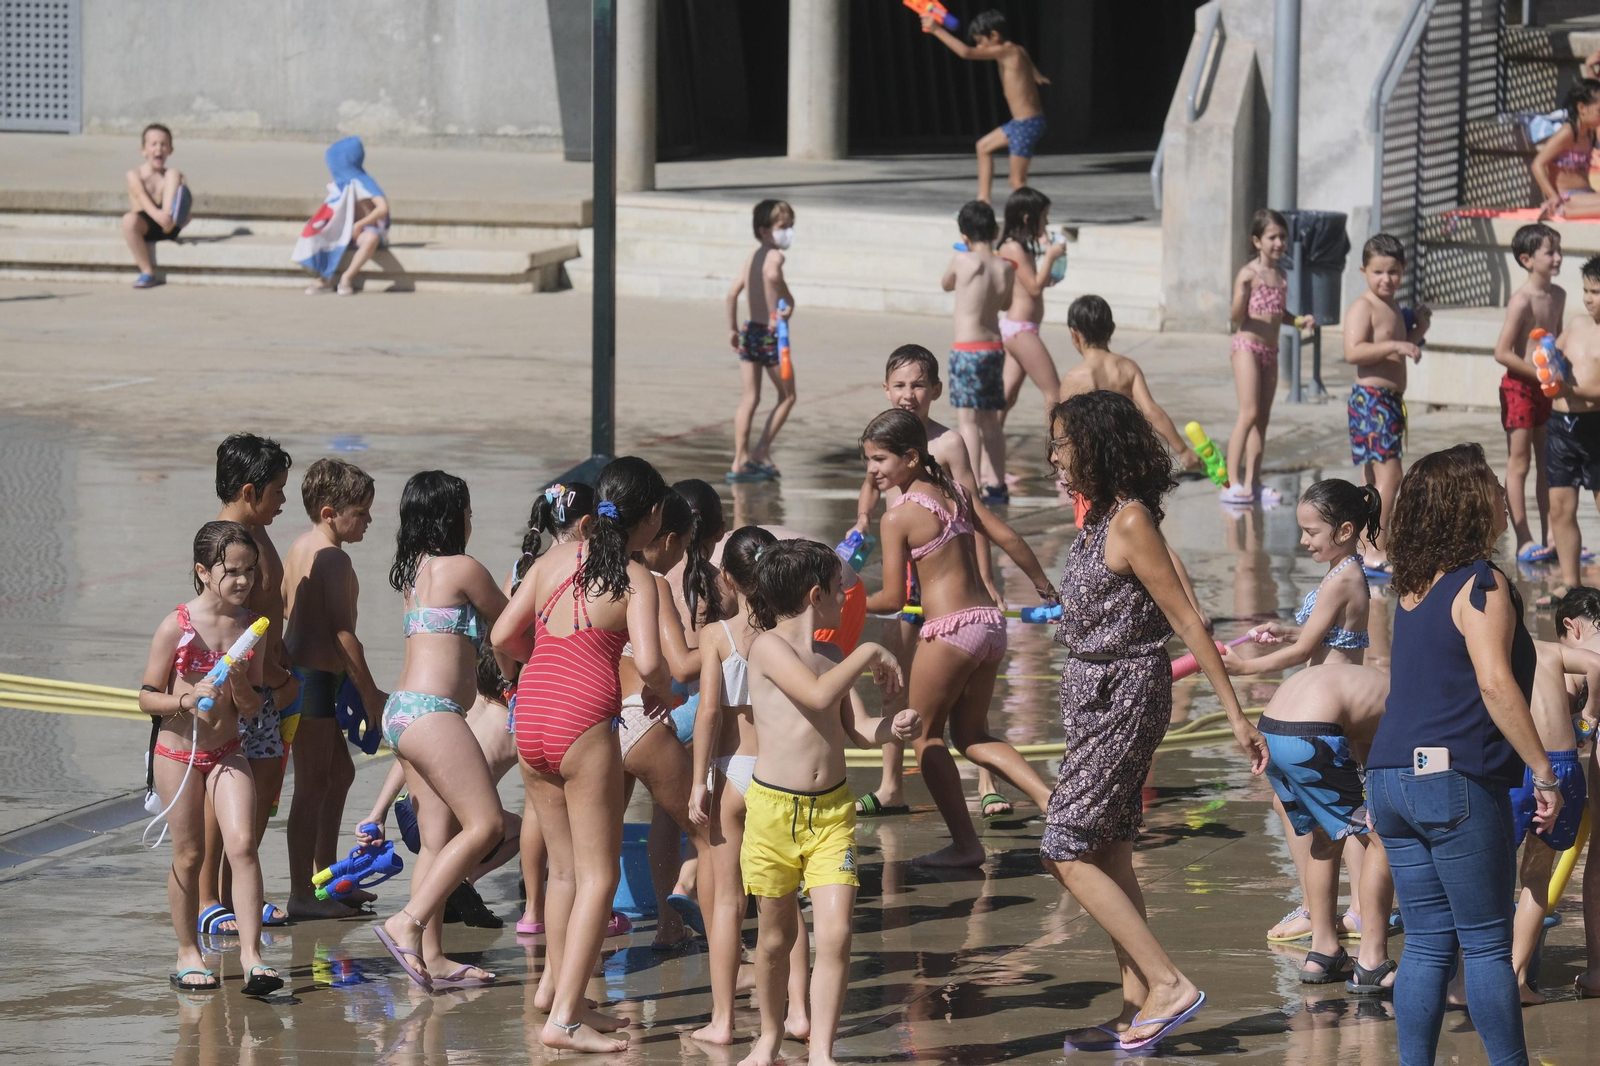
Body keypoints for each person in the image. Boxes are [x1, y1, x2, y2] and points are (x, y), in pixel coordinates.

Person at [1045, 391, 1266, 1053]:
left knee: (1064, 844)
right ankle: (1136, 1004)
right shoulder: (1101, 517)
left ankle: (1168, 983)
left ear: (1095, 446)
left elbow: (1189, 619)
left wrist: (1235, 716)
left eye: (1062, 443)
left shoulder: (1132, 522)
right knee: (1109, 848)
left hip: (1123, 692)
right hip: (1093, 693)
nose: (1053, 456)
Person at [1366, 442, 1561, 1065]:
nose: (1505, 500)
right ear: (1472, 506)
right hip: (1450, 780)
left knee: (1425, 943)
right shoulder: (1482, 583)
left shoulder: (1414, 590)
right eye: (1495, 490)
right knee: (1484, 945)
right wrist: (1543, 771)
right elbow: (1495, 683)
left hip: (1392, 777)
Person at [493, 456, 668, 1053]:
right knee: (600, 875)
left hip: (533, 712)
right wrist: (666, 691)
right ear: (650, 518)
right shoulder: (636, 577)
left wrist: (528, 671)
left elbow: (502, 637)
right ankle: (564, 1021)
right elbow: (646, 665)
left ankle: (557, 993)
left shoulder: (550, 561)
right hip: (582, 719)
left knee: (564, 871)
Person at [738, 538, 919, 1066]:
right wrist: (868, 651)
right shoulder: (768, 648)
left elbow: (856, 730)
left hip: (831, 813)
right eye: (841, 591)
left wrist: (895, 727)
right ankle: (768, 1038)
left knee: (836, 933)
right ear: (816, 595)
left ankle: (822, 1052)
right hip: (774, 814)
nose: (848, 600)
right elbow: (816, 696)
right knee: (774, 940)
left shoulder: (833, 653)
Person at [861, 408, 1059, 867]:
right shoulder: (956, 492)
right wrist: (1044, 586)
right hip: (990, 624)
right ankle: (1051, 801)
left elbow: (892, 596)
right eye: (869, 460)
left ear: (911, 458)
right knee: (971, 735)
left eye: (880, 459)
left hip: (949, 629)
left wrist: (846, 603)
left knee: (925, 737)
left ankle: (966, 846)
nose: (872, 470)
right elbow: (1007, 536)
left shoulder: (899, 517)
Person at [850, 345, 1017, 818]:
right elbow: (868, 482)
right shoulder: (882, 436)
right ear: (886, 389)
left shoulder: (948, 445)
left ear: (936, 391)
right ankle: (890, 787)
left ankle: (986, 784)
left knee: (968, 688)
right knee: (893, 681)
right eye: (900, 385)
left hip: (946, 581)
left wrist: (985, 580)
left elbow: (975, 516)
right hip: (903, 578)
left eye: (918, 385)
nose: (908, 395)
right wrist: (863, 517)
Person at [367, 471, 508, 990]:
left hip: (402, 710)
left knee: (436, 838)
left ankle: (432, 957)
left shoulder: (416, 572)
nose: (473, 520)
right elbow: (514, 626)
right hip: (433, 711)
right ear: (453, 516)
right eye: (467, 510)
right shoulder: (463, 567)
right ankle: (407, 921)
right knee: (487, 825)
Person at [138, 521, 281, 996]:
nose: (244, 581)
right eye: (232, 571)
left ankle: (252, 958)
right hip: (176, 753)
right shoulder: (175, 626)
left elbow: (253, 704)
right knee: (190, 853)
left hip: (227, 751)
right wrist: (183, 700)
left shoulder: (248, 629)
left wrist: (239, 680)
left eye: (251, 571)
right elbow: (144, 698)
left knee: (242, 846)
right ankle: (186, 954)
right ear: (202, 571)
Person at [687, 525, 810, 1046]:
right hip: (777, 770)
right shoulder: (789, 631)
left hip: (732, 769)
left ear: (730, 580)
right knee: (784, 901)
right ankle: (799, 1012)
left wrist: (698, 782)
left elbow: (709, 712)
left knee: (726, 903)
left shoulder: (719, 635)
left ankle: (722, 1020)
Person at [196, 435, 298, 937]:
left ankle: (240, 892)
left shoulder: (255, 531)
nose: (284, 500)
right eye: (278, 491)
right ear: (251, 489)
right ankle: (210, 898)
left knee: (258, 794)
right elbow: (221, 624)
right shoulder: (229, 544)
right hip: (248, 689)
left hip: (269, 686)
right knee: (229, 797)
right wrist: (275, 679)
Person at [281, 458, 386, 919]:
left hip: (311, 677)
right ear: (329, 512)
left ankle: (325, 877)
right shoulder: (334, 558)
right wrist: (370, 693)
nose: (367, 520)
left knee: (338, 775)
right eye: (360, 512)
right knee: (310, 786)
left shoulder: (299, 547)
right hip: (315, 682)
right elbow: (345, 635)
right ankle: (302, 893)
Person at [1255, 665, 1395, 990]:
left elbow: (1364, 743)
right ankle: (1373, 963)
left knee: (1324, 839)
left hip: (1271, 733)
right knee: (1387, 838)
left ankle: (1322, 952)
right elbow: (1384, 762)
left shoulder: (1376, 682)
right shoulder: (1414, 699)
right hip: (1311, 736)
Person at [366, 644, 525, 930]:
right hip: (456, 826)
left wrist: (378, 812)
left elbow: (406, 760)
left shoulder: (457, 713)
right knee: (520, 829)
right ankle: (463, 879)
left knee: (435, 844)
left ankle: (447, 893)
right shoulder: (515, 727)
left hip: (408, 809)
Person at [615, 489, 712, 950]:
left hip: (596, 722)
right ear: (667, 537)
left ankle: (668, 929)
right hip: (642, 717)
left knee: (649, 826)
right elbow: (681, 666)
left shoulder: (591, 575)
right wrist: (733, 642)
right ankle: (721, 933)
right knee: (709, 834)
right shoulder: (651, 582)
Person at [503, 482, 594, 936]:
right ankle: (571, 974)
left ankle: (532, 910)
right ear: (587, 524)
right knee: (582, 861)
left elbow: (501, 636)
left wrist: (517, 673)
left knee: (538, 816)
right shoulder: (589, 567)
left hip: (528, 704)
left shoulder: (526, 567)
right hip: (575, 705)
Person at [1505, 628, 1600, 1002]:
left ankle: (1473, 976)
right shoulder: (1550, 650)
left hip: (1515, 764)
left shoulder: (1494, 651)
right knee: (1537, 873)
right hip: (1561, 765)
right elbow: (1596, 663)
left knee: (1491, 870)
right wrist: (1588, 715)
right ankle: (1517, 977)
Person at [1342, 233, 1430, 578]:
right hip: (1371, 401)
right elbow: (1354, 351)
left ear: (1403, 270)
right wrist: (1399, 343)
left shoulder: (1392, 306)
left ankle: (1367, 544)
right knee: (1390, 474)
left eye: (1393, 272)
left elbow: (1399, 347)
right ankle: (1376, 547)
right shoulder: (1364, 306)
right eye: (1378, 271)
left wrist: (1418, 329)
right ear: (1364, 270)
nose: (1386, 279)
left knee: (1374, 478)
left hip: (1389, 402)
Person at [1224, 479, 1378, 676]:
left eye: (1311, 532)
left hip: (1332, 688)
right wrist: (1285, 633)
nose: (1303, 540)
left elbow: (1303, 651)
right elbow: (1324, 637)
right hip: (1333, 683)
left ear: (1344, 532)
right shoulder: (1347, 570)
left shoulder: (1341, 581)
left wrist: (1244, 667)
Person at [1223, 209, 1314, 504]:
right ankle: (1231, 481)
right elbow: (1237, 316)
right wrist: (1243, 293)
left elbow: (1278, 314)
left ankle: (1254, 483)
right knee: (1248, 413)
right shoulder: (1249, 273)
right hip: (1247, 348)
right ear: (1257, 241)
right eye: (1272, 237)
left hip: (1270, 352)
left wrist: (1298, 321)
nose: (1278, 242)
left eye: (1282, 237)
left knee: (1262, 419)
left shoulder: (1281, 275)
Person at [918, 9, 1049, 204]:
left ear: (995, 36)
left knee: (1016, 181)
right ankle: (983, 201)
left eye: (981, 41)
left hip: (1026, 125)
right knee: (983, 147)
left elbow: (966, 52)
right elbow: (1030, 67)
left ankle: (1038, 218)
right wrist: (1038, 78)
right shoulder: (1018, 50)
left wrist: (936, 29)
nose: (979, 46)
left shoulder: (1005, 50)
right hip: (1020, 123)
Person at [1057, 295, 1201, 471]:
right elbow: (1151, 411)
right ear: (1112, 328)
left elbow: (1065, 431)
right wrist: (1183, 450)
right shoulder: (1127, 367)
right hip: (1126, 458)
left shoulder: (1074, 377)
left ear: (1074, 334)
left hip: (1092, 463)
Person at [1493, 223, 1564, 565]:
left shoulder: (1559, 295)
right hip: (1520, 388)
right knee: (1519, 463)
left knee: (1549, 464)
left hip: (1546, 389)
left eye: (1558, 251)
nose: (1558, 258)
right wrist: (1539, 373)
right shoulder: (1521, 301)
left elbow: (1557, 341)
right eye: (1550, 252)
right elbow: (1502, 352)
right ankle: (1523, 538)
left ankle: (1552, 535)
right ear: (1526, 259)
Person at [943, 200, 1015, 503]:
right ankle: (997, 484)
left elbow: (945, 284)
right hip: (994, 348)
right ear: (996, 231)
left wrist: (960, 254)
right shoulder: (1006, 267)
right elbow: (1005, 304)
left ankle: (969, 486)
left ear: (964, 236)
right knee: (990, 422)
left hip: (967, 349)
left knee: (968, 422)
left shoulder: (963, 262)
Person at [1542, 255, 1600, 607]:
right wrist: (1546, 357)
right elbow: (1554, 354)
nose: (1588, 298)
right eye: (1585, 290)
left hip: (1595, 427)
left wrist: (1570, 391)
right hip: (1561, 427)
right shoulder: (1578, 323)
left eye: (1596, 291)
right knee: (1560, 509)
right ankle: (1569, 583)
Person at [726, 199, 797, 482]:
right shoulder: (774, 257)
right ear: (764, 230)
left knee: (750, 398)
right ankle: (760, 450)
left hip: (749, 331)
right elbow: (772, 274)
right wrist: (788, 300)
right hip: (769, 334)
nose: (788, 232)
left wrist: (732, 328)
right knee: (788, 395)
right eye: (783, 226)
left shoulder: (751, 257)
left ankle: (739, 459)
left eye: (791, 226)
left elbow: (732, 294)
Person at [1554, 588, 1600, 997]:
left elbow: (1562, 717)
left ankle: (1599, 970)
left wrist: (1585, 716)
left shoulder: (1584, 655)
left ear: (1573, 626)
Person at [996, 186, 1066, 421]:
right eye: (1044, 217)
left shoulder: (1019, 247)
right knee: (1054, 393)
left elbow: (1029, 284)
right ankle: (1058, 450)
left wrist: (1049, 274)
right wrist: (1049, 256)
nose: (1046, 224)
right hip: (1021, 329)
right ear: (1028, 218)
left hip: (1021, 328)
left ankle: (986, 451)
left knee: (1007, 397)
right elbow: (1033, 288)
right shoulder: (1012, 247)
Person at [302, 136, 390, 296]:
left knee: (370, 238)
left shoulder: (365, 182)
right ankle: (325, 279)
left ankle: (347, 277)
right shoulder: (340, 184)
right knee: (318, 232)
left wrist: (360, 224)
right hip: (346, 230)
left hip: (367, 230)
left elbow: (383, 208)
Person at [122, 123, 192, 289]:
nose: (158, 149)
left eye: (163, 144)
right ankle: (147, 271)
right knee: (127, 220)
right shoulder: (135, 174)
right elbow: (141, 196)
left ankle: (170, 216)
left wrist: (179, 215)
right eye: (153, 144)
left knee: (173, 173)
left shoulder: (173, 176)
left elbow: (184, 198)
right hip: (146, 224)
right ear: (143, 150)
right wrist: (158, 215)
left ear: (170, 150)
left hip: (169, 225)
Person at [1533, 79, 1600, 220]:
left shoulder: (1590, 133)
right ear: (1581, 108)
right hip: (1568, 196)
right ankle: (1562, 211)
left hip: (1586, 193)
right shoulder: (1568, 133)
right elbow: (1537, 164)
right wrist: (1552, 196)